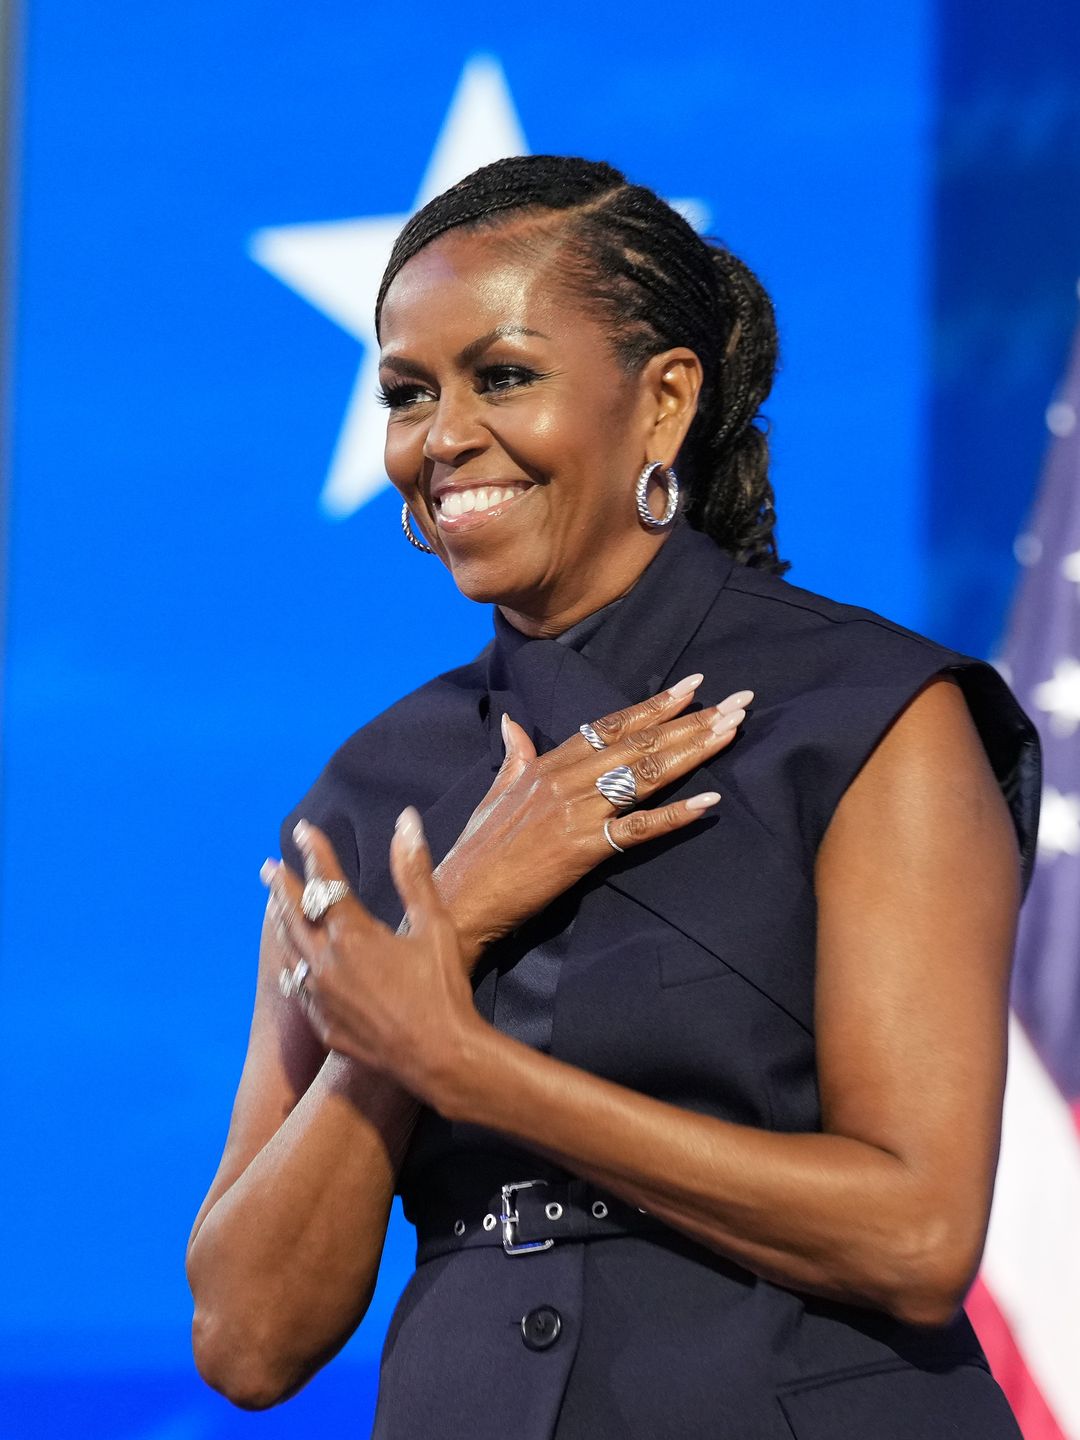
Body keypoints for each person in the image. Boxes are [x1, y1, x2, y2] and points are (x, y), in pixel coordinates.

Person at [186, 156, 1040, 1439]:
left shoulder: (870, 715)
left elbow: (914, 1234)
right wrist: (452, 926)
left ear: (664, 403)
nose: (444, 436)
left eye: (506, 375)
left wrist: (470, 1067)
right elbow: (247, 1341)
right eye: (408, 393)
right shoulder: (373, 792)